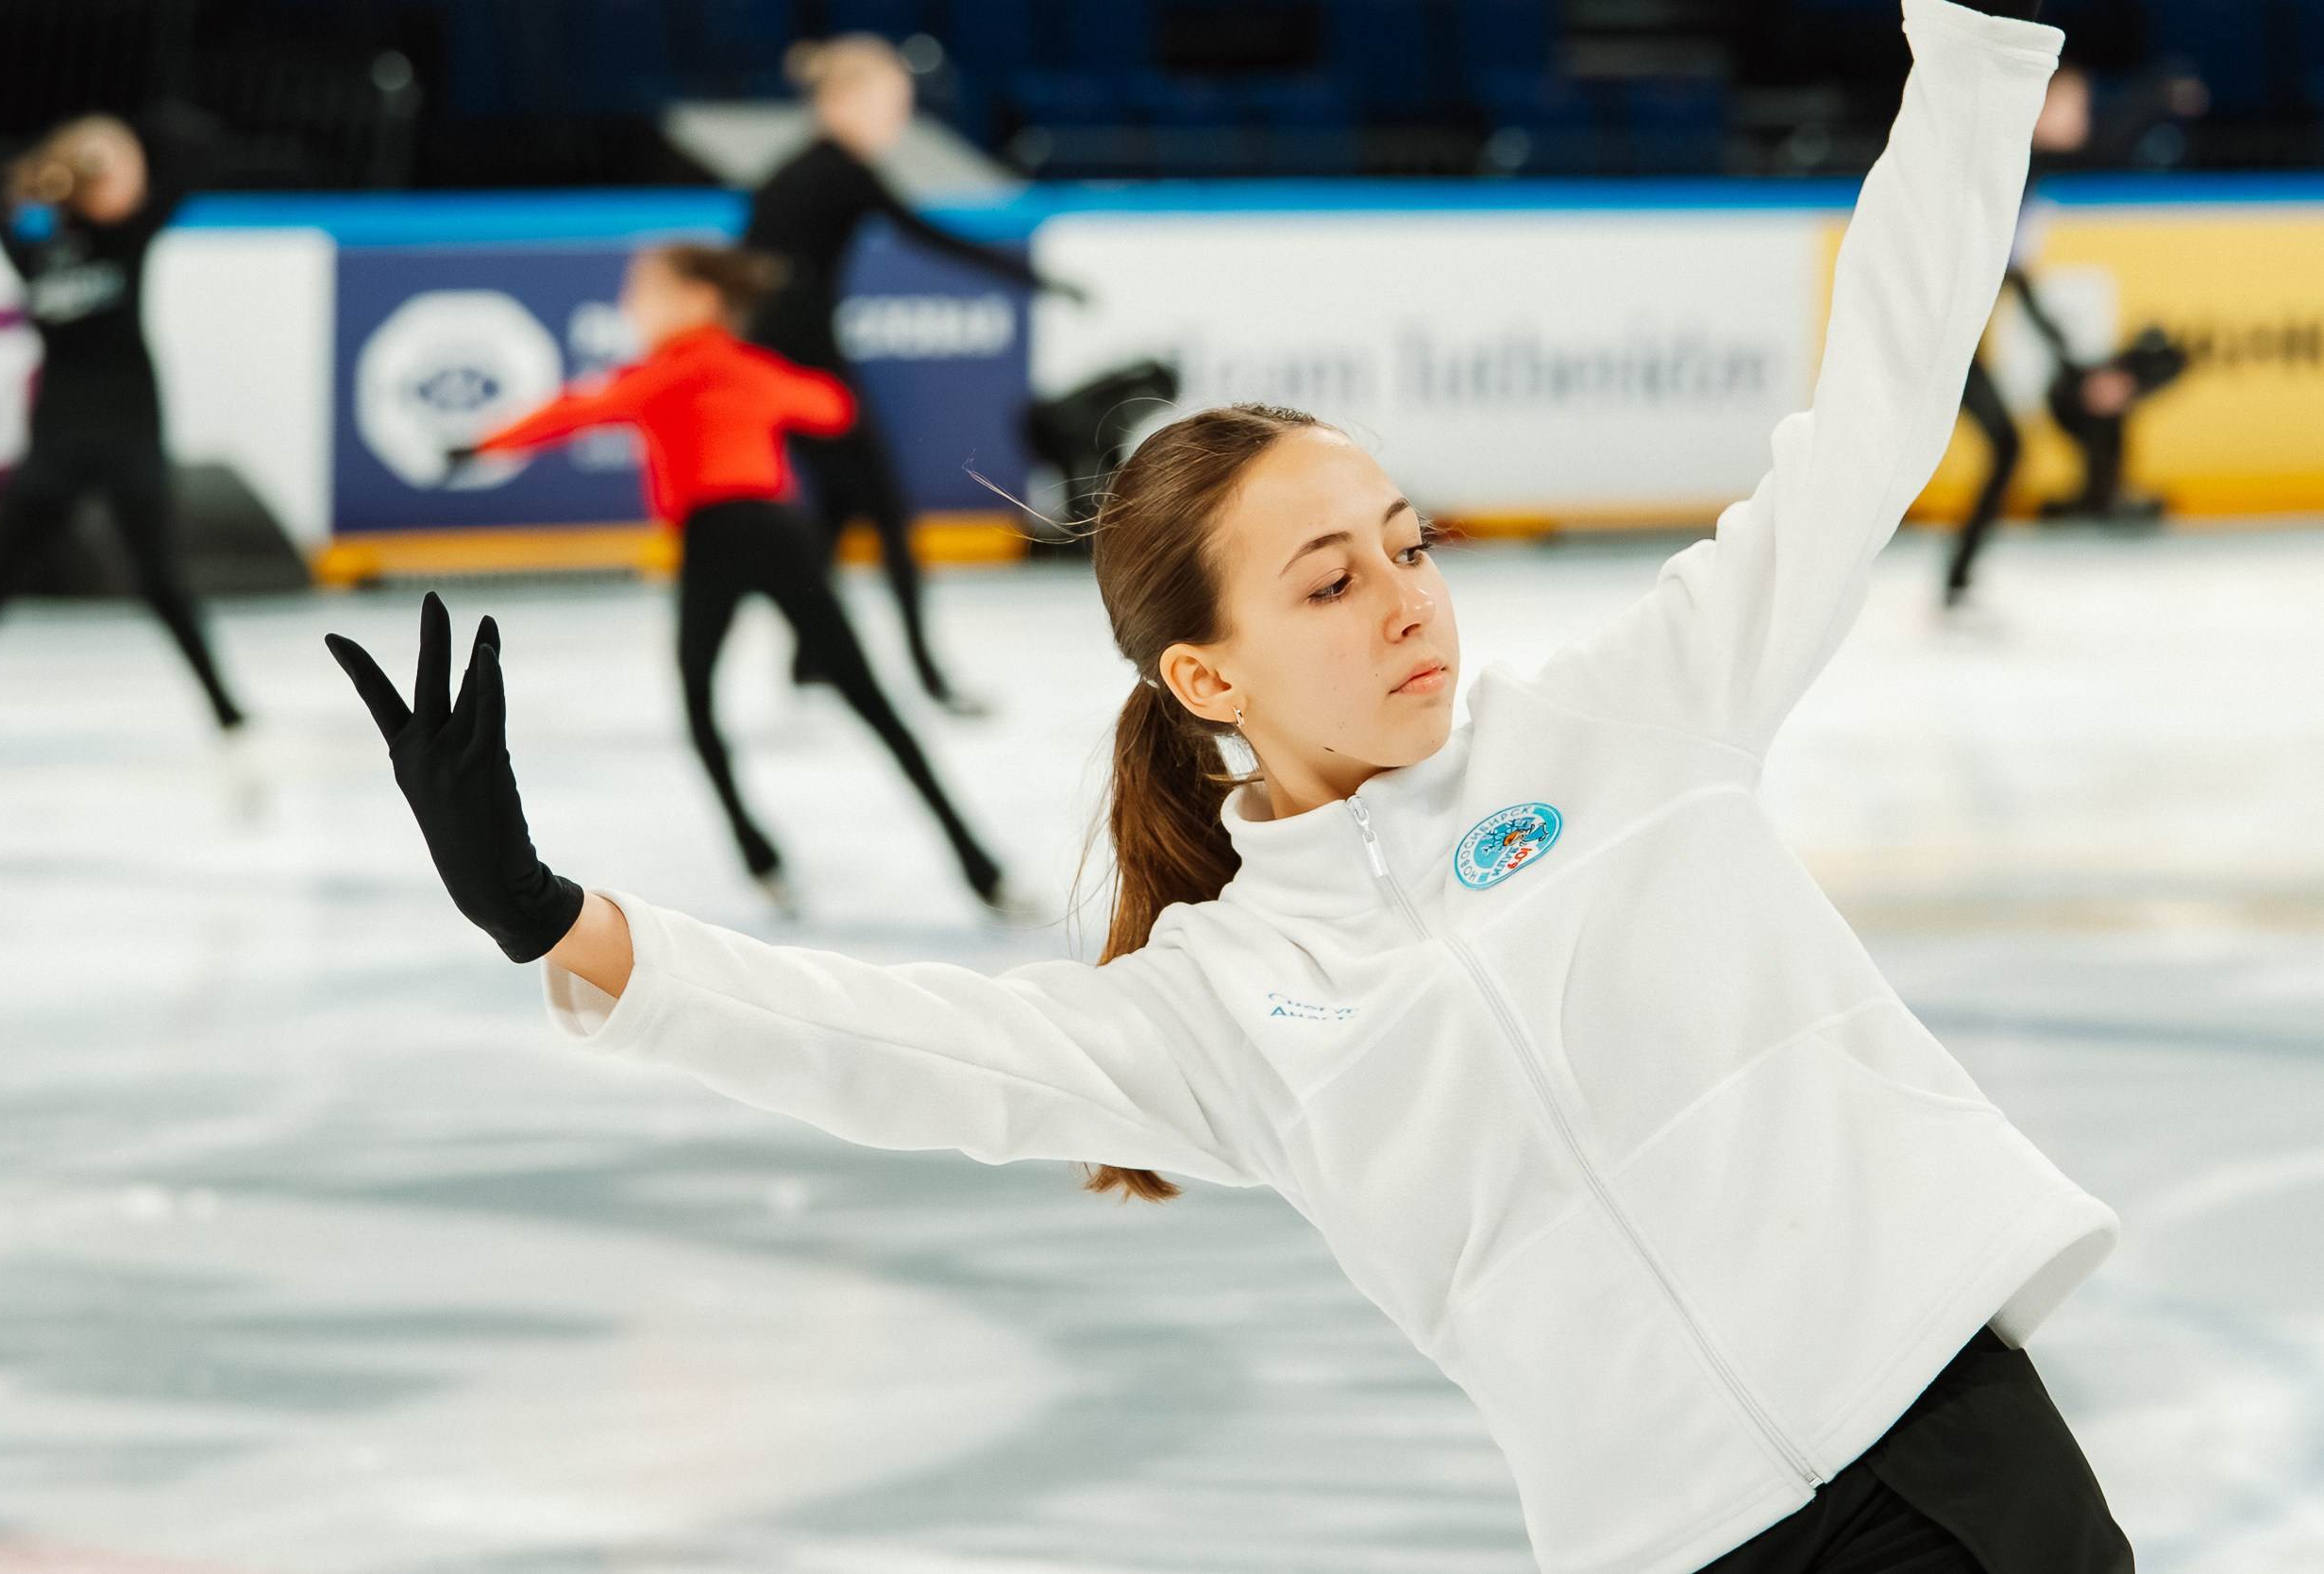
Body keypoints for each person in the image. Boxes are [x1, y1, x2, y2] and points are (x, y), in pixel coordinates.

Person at [330, 4, 2131, 1570]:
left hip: (1959, 1461)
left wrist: (1970, 48)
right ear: (1207, 676)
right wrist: (558, 924)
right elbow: (902, 1050)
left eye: (1406, 544)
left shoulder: (1634, 718)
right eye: (1330, 581)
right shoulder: (1224, 1004)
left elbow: (1880, 413)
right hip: (1679, 1544)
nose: (1406, 598)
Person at [436, 244, 1012, 918]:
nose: (631, 302)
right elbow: (829, 406)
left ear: (698, 300)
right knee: (873, 705)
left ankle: (760, 857)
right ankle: (981, 866)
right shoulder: (746, 367)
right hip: (783, 535)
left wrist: (478, 445)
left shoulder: (665, 373)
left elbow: (574, 412)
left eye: (644, 288)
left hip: (716, 541)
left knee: (701, 708)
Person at [744, 33, 1077, 715]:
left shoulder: (797, 170)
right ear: (845, 101)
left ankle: (811, 660)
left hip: (782, 367)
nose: (900, 117)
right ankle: (927, 675)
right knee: (888, 516)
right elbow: (927, 234)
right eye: (893, 102)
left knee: (837, 508)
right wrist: (1029, 276)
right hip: (807, 372)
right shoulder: (835, 169)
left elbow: (752, 275)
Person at [0, 113, 243, 730]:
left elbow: (197, 152)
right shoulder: (33, 243)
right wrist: (51, 170)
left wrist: (119, 141)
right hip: (57, 440)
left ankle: (228, 713)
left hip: (131, 434)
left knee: (163, 583)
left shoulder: (129, 235)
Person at [1943, 55, 2206, 606]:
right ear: (2038, 106)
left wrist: (2069, 361)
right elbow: (2102, 147)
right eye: (2074, 104)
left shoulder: (2024, 172)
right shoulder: (2009, 159)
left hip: (1952, 341)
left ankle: (1957, 584)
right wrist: (2158, 88)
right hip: (1930, 334)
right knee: (1985, 449)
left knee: (2008, 448)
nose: (2082, 116)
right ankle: (1949, 582)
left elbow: (2015, 280)